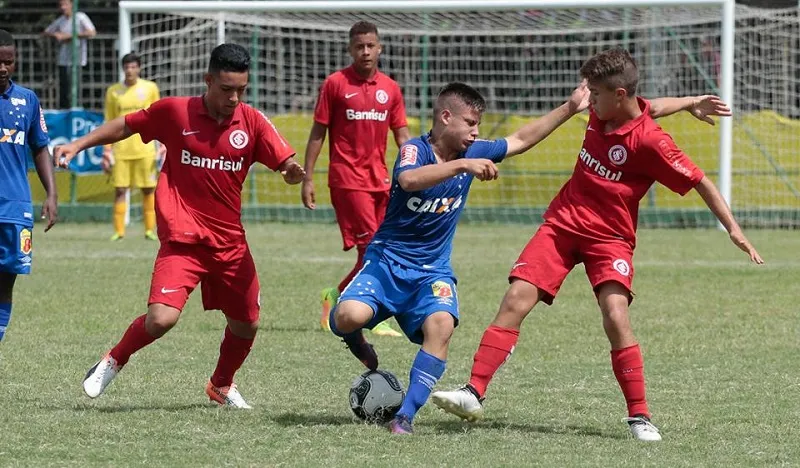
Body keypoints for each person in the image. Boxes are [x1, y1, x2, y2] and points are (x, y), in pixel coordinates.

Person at [431, 48, 763, 441]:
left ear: (619, 95)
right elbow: (651, 104)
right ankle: (473, 392)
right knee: (516, 298)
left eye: (595, 93)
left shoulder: (651, 142)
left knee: (615, 314)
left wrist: (734, 230)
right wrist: (690, 101)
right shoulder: (605, 108)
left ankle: (640, 416)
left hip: (610, 238)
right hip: (562, 224)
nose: (586, 99)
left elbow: (701, 181)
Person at [330, 81, 592, 435]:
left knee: (442, 326)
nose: (476, 132)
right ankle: (356, 340)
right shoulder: (414, 150)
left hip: (431, 272)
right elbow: (409, 181)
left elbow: (520, 140)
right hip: (387, 261)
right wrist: (463, 166)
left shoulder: (474, 151)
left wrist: (570, 107)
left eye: (478, 126)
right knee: (347, 316)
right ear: (446, 116)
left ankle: (404, 417)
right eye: (470, 123)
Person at [55, 43, 305, 408]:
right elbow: (125, 125)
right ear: (208, 80)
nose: (234, 98)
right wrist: (78, 144)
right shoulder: (175, 112)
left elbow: (286, 163)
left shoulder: (251, 121)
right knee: (161, 319)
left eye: (241, 90)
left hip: (230, 245)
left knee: (247, 323)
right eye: (226, 89)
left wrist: (291, 173)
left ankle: (221, 384)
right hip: (183, 239)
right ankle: (113, 360)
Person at [302, 21, 410, 337]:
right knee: (372, 249)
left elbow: (402, 135)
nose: (365, 51)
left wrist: (422, 166)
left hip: (382, 182)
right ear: (350, 49)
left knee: (384, 248)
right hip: (348, 181)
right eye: (359, 46)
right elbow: (318, 132)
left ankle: (335, 296)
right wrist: (308, 178)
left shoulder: (390, 88)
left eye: (370, 45)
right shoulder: (335, 84)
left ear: (380, 48)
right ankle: (373, 314)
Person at [0, 29, 59, 342]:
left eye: (9, 61)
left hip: (15, 207)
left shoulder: (28, 100)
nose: (3, 68)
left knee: (7, 280)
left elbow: (40, 148)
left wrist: (51, 193)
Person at [102, 52, 165, 241]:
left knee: (148, 189)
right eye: (127, 67)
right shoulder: (113, 91)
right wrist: (107, 150)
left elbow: (158, 117)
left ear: (139, 68)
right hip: (121, 149)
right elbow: (109, 121)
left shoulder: (150, 88)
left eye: (133, 67)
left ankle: (149, 230)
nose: (130, 70)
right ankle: (119, 232)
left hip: (145, 149)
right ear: (123, 69)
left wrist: (162, 143)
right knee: (120, 190)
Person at [42, 0, 96, 109]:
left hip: (78, 59)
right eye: (61, 5)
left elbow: (92, 32)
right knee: (64, 89)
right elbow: (46, 32)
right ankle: (65, 113)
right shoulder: (60, 20)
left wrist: (70, 36)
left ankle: (77, 111)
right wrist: (56, 35)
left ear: (71, 4)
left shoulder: (80, 17)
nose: (63, 7)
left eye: (65, 4)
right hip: (63, 59)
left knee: (75, 89)